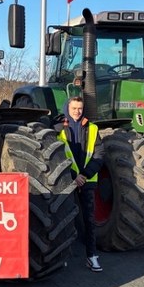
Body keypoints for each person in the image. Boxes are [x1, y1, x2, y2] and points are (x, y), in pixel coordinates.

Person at [55, 96, 105, 272]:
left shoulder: (92, 128)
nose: (77, 111)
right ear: (67, 108)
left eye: (80, 108)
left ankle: (92, 256)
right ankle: (62, 257)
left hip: (87, 181)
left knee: (89, 220)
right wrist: (73, 176)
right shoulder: (58, 129)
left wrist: (84, 175)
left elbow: (99, 155)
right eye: (74, 108)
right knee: (63, 219)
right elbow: (58, 156)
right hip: (66, 181)